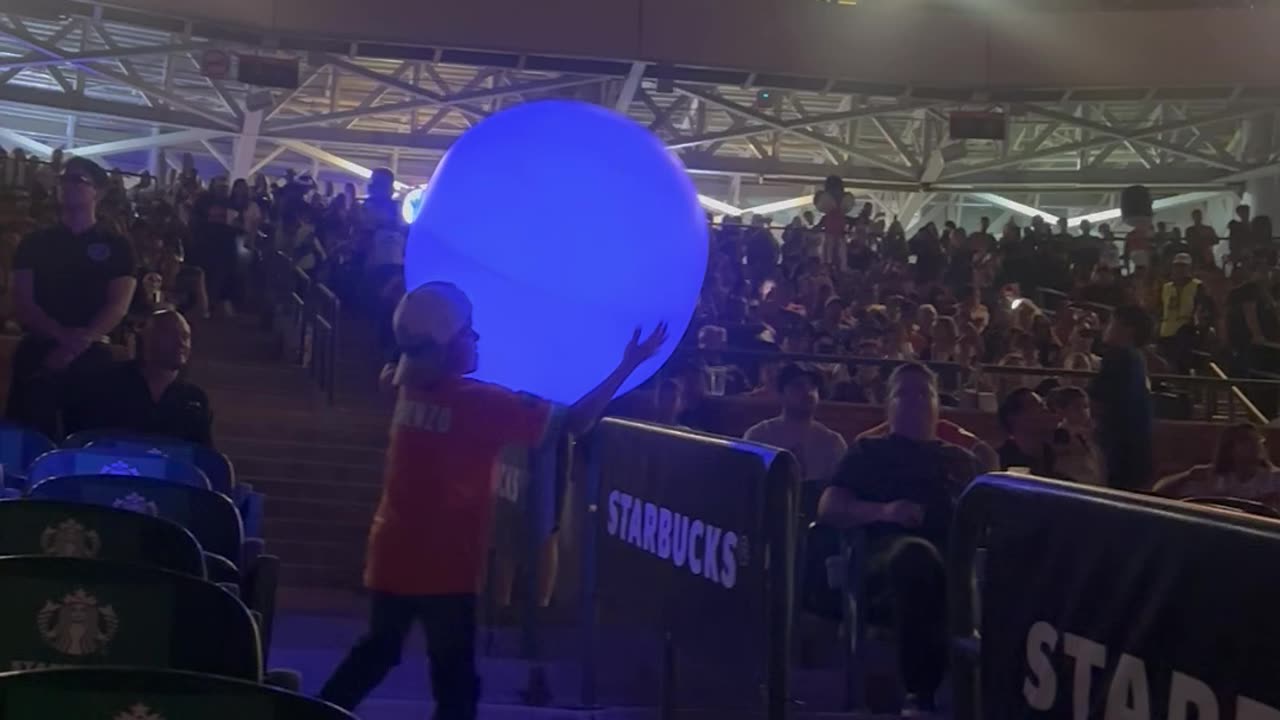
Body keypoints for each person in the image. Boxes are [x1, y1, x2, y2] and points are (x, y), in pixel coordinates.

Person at [319, 282, 667, 719]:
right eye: (468, 331)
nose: (477, 337)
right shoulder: (480, 403)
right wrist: (628, 364)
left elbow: (397, 368)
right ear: (445, 346)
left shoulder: (405, 390)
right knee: (455, 683)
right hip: (445, 566)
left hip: (393, 553)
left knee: (378, 651)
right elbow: (575, 423)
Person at [819, 363, 980, 717]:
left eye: (924, 393)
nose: (915, 400)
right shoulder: (868, 452)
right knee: (915, 557)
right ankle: (920, 694)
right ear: (888, 404)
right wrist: (885, 511)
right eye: (904, 393)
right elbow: (830, 507)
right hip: (887, 555)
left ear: (938, 403)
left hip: (959, 557)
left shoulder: (961, 459)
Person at [6, 157, 137, 439]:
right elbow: (22, 300)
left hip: (92, 351)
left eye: (77, 180)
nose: (67, 185)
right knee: (26, 438)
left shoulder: (117, 246)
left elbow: (118, 305)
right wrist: (60, 335)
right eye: (63, 179)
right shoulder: (34, 243)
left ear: (98, 191)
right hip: (40, 347)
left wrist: (77, 344)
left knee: (88, 439)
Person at [65, 309, 213, 446]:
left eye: (185, 337)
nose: (181, 343)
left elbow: (202, 454)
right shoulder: (108, 384)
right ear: (147, 339)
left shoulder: (194, 399)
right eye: (170, 335)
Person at [744, 364, 847, 504]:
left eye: (813, 387)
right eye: (798, 386)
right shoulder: (758, 436)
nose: (808, 392)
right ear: (781, 394)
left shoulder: (833, 442)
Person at [1089, 305, 1154, 491]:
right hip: (1136, 444)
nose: (1106, 327)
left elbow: (1099, 399)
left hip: (1117, 444)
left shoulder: (1118, 356)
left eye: (1112, 322)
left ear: (1127, 329)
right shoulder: (1138, 358)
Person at [1154, 423, 1280, 508]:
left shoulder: (1274, 478)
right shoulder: (1214, 477)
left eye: (1258, 440)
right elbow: (1158, 492)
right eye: (1245, 440)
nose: (1255, 444)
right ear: (1229, 448)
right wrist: (1187, 475)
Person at [1155, 253, 1207, 369]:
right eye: (1177, 266)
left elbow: (1201, 306)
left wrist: (1196, 324)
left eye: (1183, 266)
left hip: (1185, 331)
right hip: (1166, 331)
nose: (1180, 270)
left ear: (1189, 268)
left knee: (1181, 364)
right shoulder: (1166, 287)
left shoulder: (1197, 286)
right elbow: (1160, 308)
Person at [1048, 386, 1104, 486]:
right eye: (1077, 407)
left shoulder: (1092, 430)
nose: (1083, 411)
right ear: (1061, 410)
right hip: (1072, 481)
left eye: (1086, 407)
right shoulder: (1062, 432)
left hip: (1093, 480)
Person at [996, 388, 1058, 477]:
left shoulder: (1053, 456)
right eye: (1037, 405)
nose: (1046, 410)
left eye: (1044, 405)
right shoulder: (1000, 462)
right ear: (1013, 417)